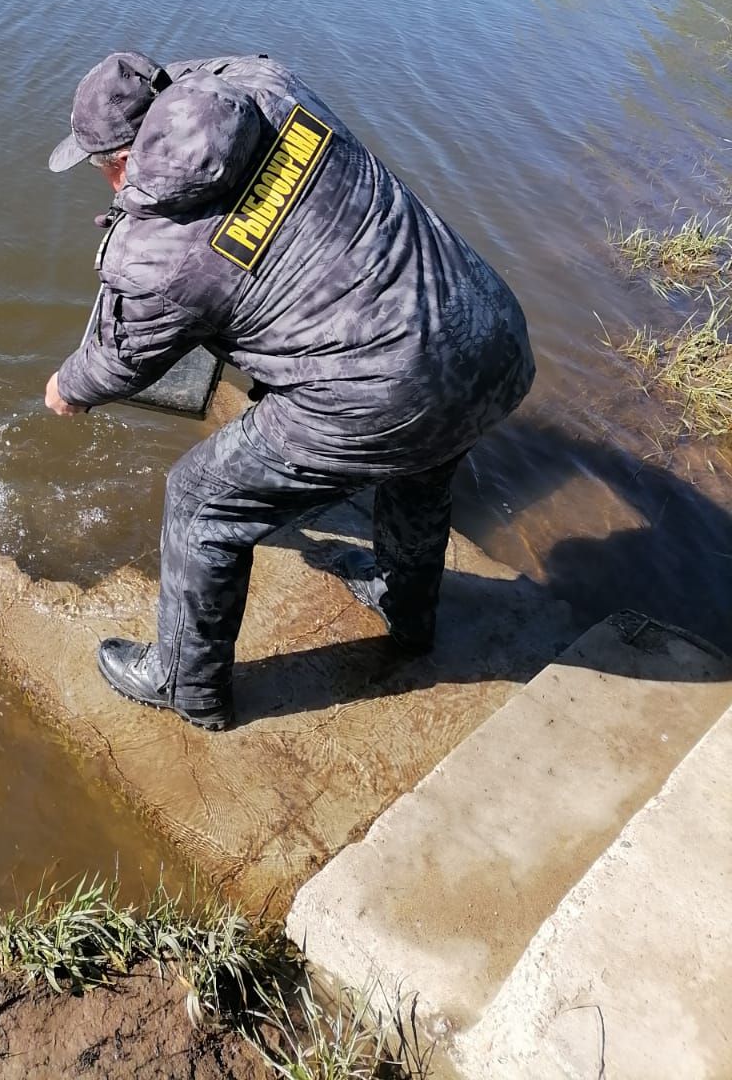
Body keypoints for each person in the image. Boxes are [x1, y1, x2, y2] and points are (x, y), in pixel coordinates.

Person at [44, 52, 534, 731]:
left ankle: (187, 684)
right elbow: (217, 71)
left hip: (385, 390)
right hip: (484, 331)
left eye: (102, 167)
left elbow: (119, 361)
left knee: (201, 501)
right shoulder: (270, 91)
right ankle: (405, 608)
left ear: (121, 162)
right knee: (421, 466)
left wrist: (68, 388)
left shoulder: (155, 250)